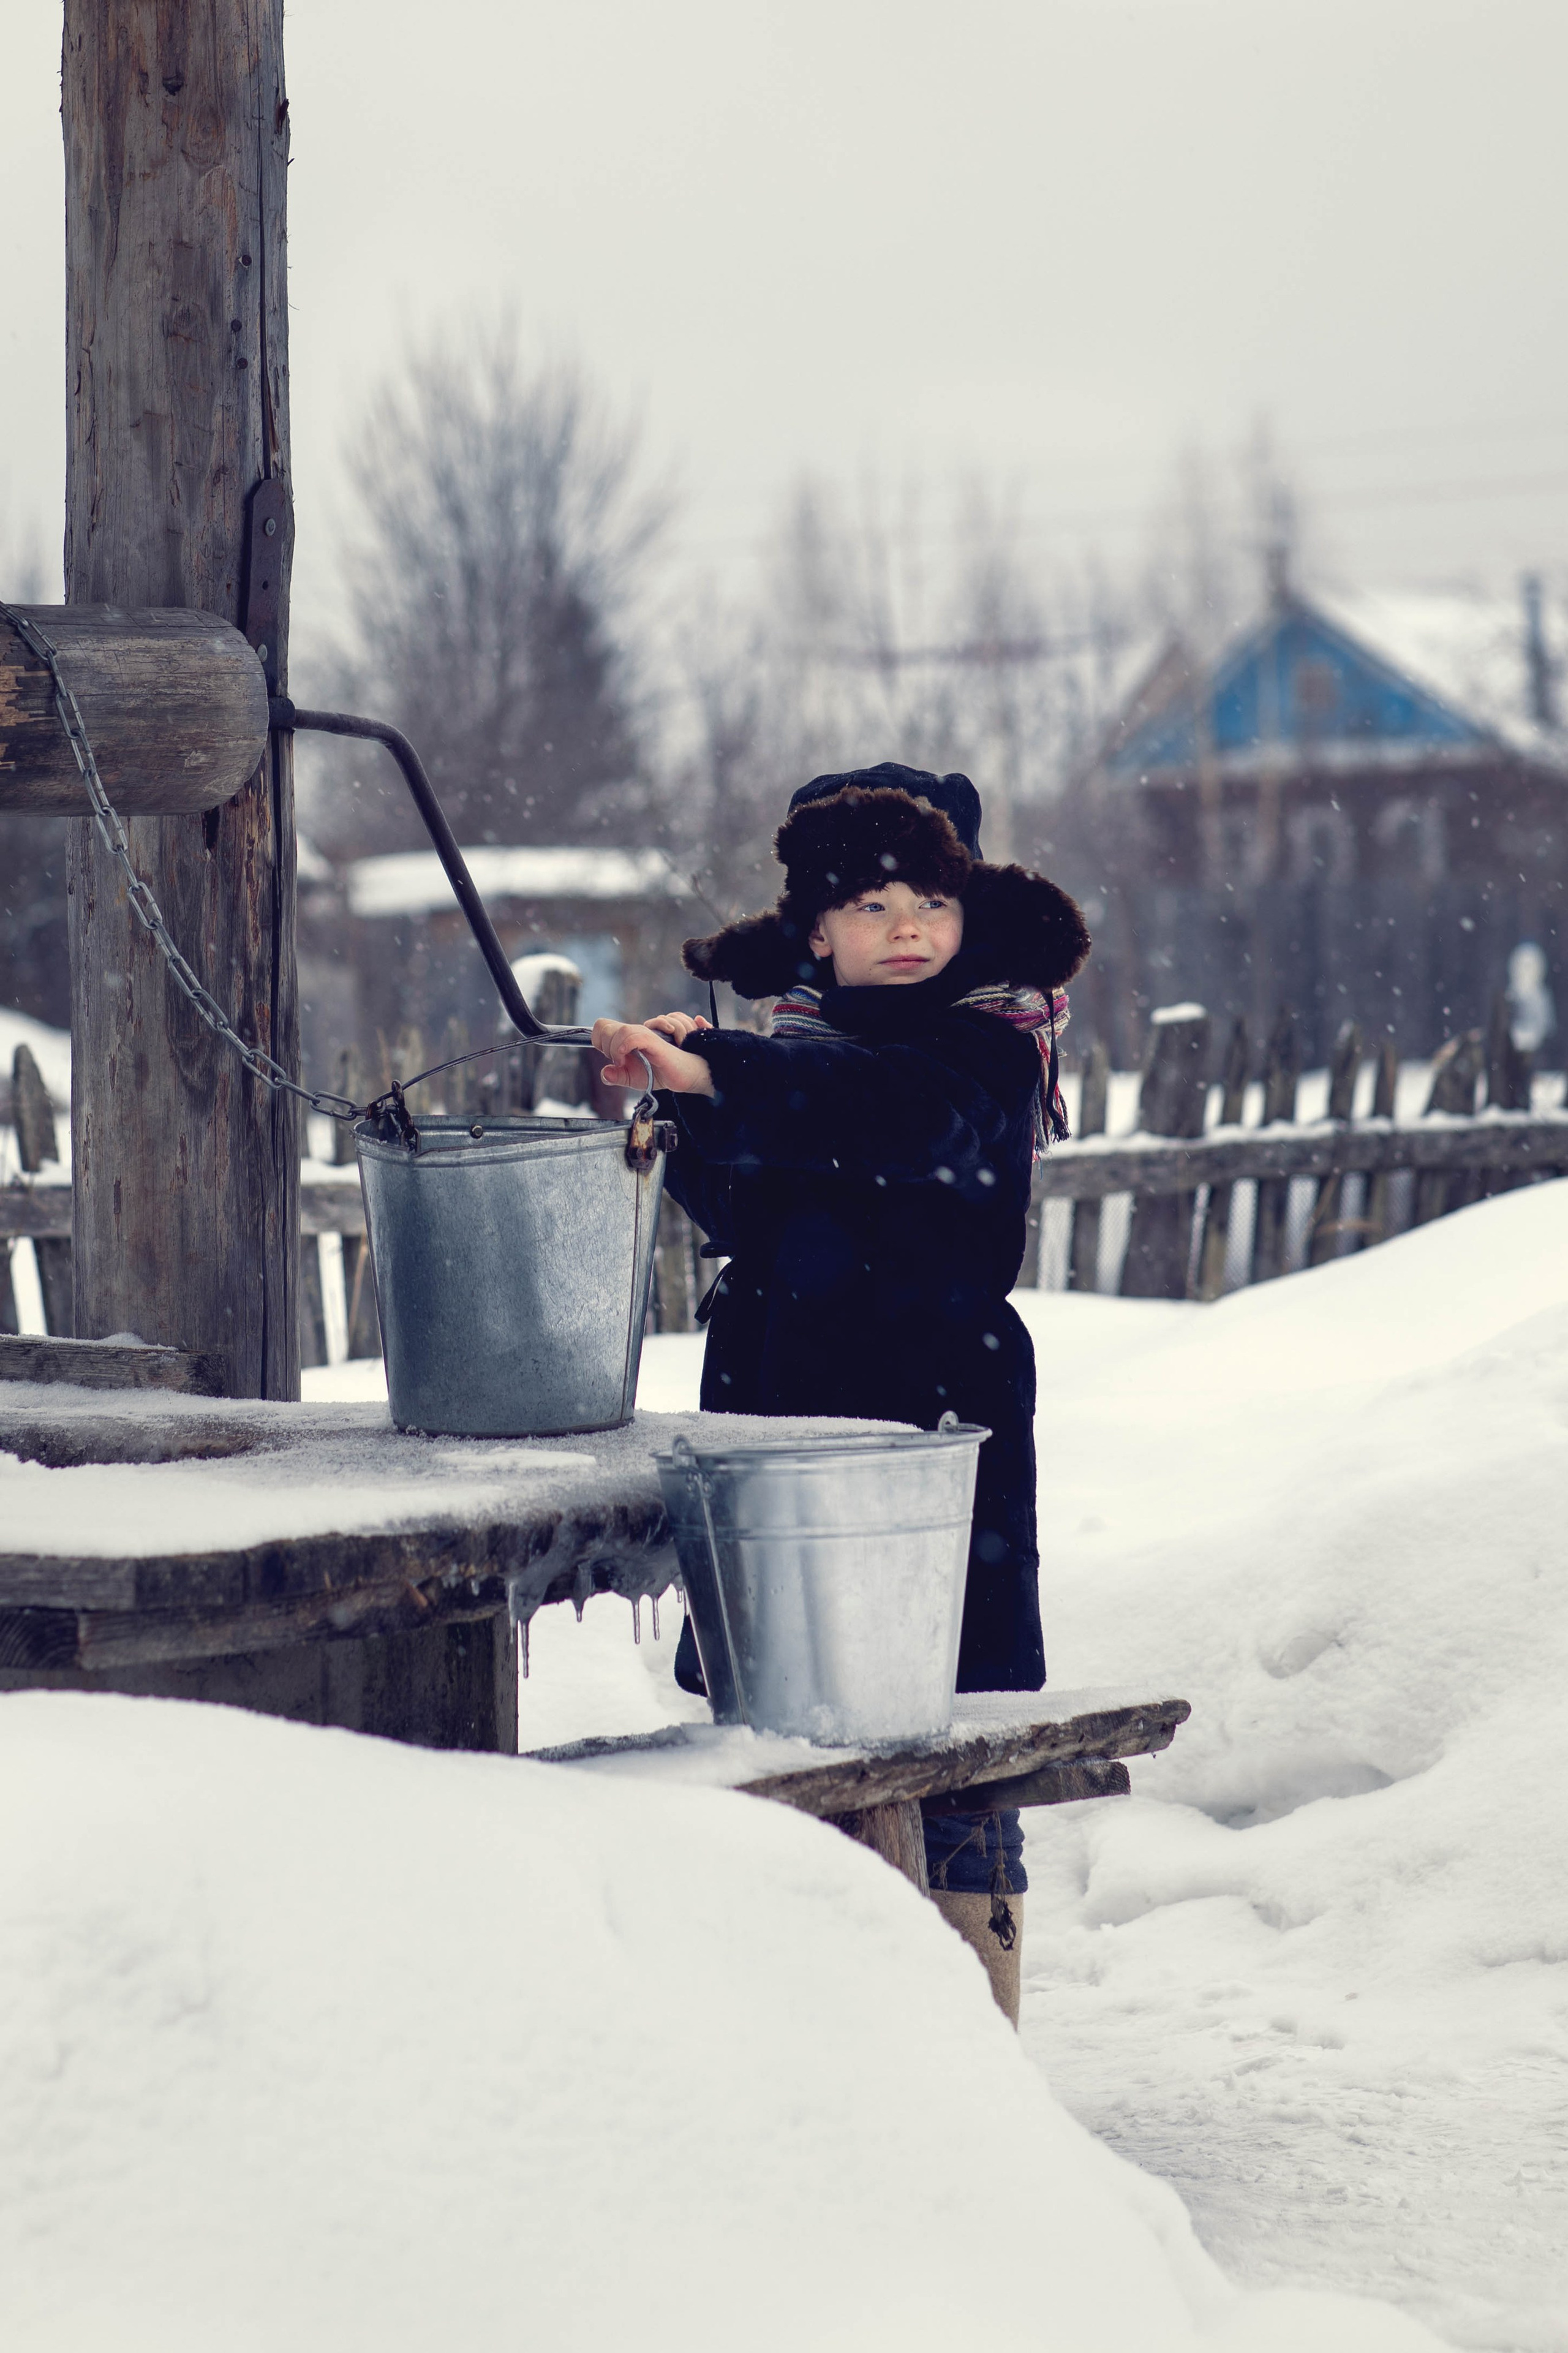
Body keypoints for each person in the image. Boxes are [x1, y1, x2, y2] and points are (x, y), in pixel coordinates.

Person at [592, 762, 1090, 2022]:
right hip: (780, 1400)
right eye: (870, 907)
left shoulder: (988, 1042)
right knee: (776, 1735)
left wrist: (735, 1080)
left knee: (953, 1738)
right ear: (814, 928)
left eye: (931, 898)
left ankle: (970, 2025)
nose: (908, 929)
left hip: (928, 1427)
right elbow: (755, 1218)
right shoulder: (793, 1051)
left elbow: (901, 1118)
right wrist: (692, 1103)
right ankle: (805, 2038)